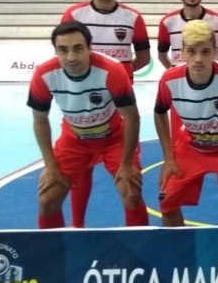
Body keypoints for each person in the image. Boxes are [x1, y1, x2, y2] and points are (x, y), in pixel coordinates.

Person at [28, 21, 148, 229]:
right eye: (63, 50)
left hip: (114, 140)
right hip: (74, 141)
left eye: (78, 48)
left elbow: (132, 117)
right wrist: (50, 166)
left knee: (131, 194)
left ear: (90, 48)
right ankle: (53, 256)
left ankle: (140, 250)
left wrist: (127, 163)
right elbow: (40, 120)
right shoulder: (43, 74)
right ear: (55, 51)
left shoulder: (111, 70)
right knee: (47, 200)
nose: (71, 57)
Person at [61, 0, 151, 228]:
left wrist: (120, 78)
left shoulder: (132, 17)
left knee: (129, 182)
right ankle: (77, 227)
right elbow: (64, 56)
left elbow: (144, 58)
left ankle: (138, 239)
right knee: (80, 174)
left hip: (121, 115)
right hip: (82, 111)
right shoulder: (74, 15)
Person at [153, 20, 218, 226]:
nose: (198, 58)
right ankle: (183, 254)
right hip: (191, 149)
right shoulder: (169, 79)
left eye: (205, 51)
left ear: (215, 52)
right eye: (191, 51)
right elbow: (159, 113)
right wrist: (168, 157)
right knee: (166, 201)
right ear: (182, 52)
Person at [156, 0, 218, 225]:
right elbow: (161, 54)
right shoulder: (167, 22)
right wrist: (178, 77)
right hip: (184, 100)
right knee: (188, 150)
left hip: (214, 97)